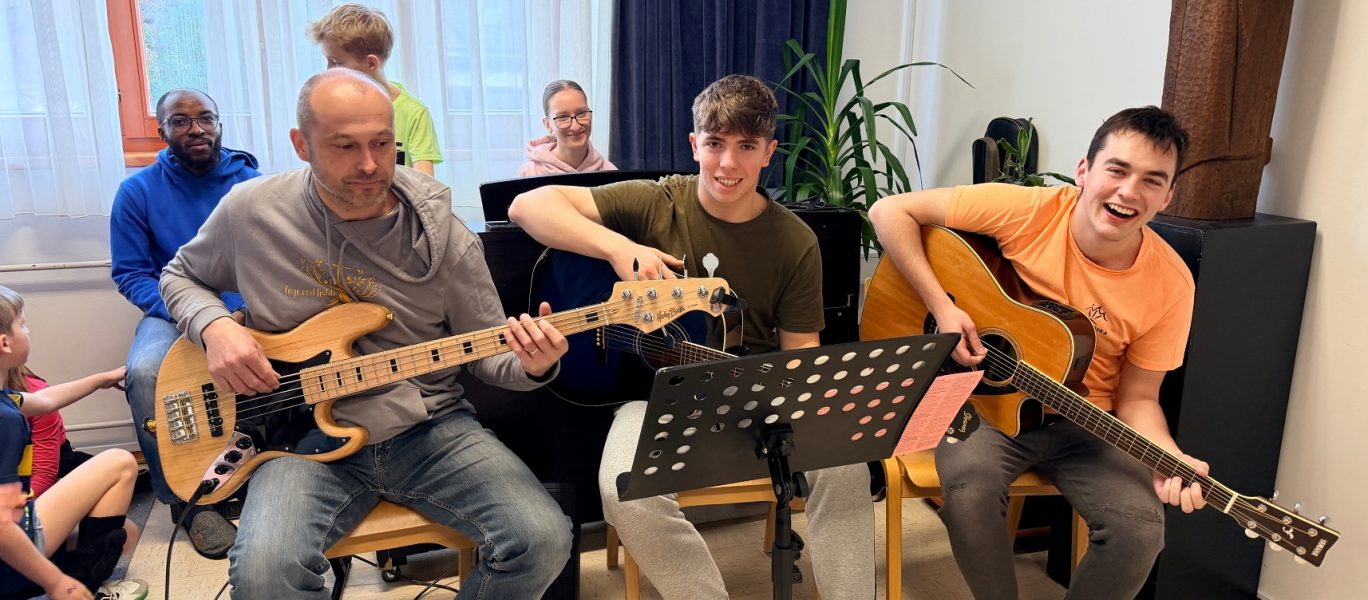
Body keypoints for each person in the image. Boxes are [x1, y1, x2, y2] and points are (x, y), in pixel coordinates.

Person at [157, 68, 572, 598]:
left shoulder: (445, 234)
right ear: (301, 144)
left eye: (382, 143)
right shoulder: (251, 212)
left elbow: (489, 353)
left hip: (429, 428)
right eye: (345, 146)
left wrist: (534, 363)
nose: (371, 164)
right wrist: (215, 327)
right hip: (294, 440)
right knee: (264, 576)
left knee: (542, 541)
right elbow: (179, 276)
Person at [508, 74, 876, 599]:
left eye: (746, 146)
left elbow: (800, 355)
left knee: (845, 466)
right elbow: (527, 207)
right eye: (715, 143)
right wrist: (619, 249)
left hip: (754, 398)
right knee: (623, 487)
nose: (728, 163)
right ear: (694, 144)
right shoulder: (658, 202)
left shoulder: (795, 241)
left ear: (769, 152)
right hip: (652, 396)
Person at [868, 106, 1207, 599]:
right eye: (1117, 170)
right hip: (983, 404)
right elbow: (888, 211)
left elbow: (1138, 398)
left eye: (1152, 181)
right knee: (970, 491)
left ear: (1168, 195)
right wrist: (942, 306)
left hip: (1086, 422)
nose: (1129, 192)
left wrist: (1167, 456)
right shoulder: (1027, 209)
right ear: (1084, 171)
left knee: (1140, 532)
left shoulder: (1171, 285)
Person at [109, 88, 260, 560]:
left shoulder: (251, 183)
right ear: (163, 131)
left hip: (247, 309)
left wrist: (241, 312)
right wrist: (194, 317)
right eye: (180, 121)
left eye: (205, 118)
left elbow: (275, 258)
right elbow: (130, 273)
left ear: (219, 123)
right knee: (145, 373)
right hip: (171, 312)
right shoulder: (137, 191)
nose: (195, 129)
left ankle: (274, 471)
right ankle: (189, 504)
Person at [0, 286, 146, 600]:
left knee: (125, 533)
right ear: (4, 343)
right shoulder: (6, 419)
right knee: (120, 462)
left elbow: (44, 401)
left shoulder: (7, 400)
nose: (27, 330)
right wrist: (57, 583)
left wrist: (101, 379)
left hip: (13, 537)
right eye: (22, 325)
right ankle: (77, 589)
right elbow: (2, 525)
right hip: (8, 555)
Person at [308, 3, 442, 177]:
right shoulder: (336, 109)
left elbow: (425, 182)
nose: (328, 70)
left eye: (336, 62)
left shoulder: (414, 113)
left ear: (371, 63)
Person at [516, 80, 617, 176]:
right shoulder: (529, 174)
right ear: (548, 125)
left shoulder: (610, 173)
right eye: (563, 117)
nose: (575, 127)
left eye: (581, 113)